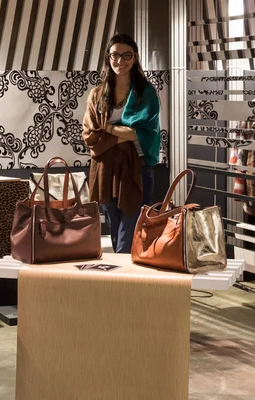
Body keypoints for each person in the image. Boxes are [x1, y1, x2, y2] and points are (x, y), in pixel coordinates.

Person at [82, 33, 161, 254]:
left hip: (138, 167)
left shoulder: (145, 93)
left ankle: (126, 283)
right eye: (115, 55)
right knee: (114, 229)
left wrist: (107, 129)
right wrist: (121, 135)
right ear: (108, 57)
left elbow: (141, 133)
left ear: (135, 58)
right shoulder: (97, 95)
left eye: (127, 55)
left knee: (131, 230)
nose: (121, 61)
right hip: (106, 170)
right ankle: (120, 283)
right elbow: (89, 135)